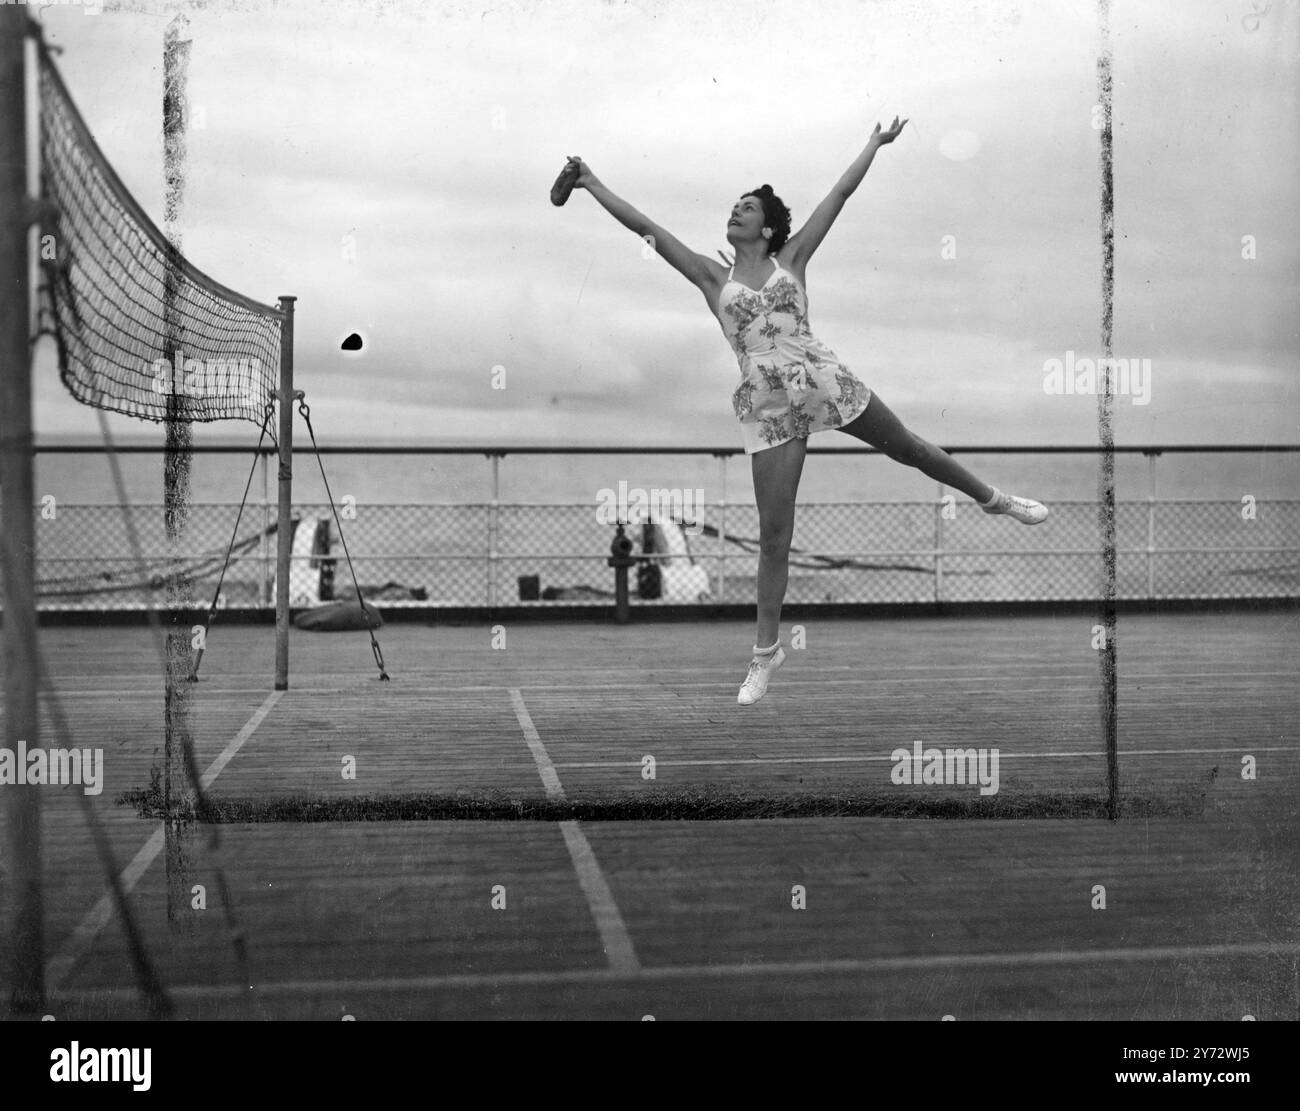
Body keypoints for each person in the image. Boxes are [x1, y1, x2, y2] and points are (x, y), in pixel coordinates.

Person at [562, 116, 1047, 706]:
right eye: (734, 206)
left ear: (766, 228)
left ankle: (995, 501)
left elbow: (838, 195)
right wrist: (590, 182)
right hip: (769, 407)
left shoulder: (793, 259)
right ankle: (765, 655)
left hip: (822, 381)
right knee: (774, 535)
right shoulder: (713, 278)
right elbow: (647, 228)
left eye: (746, 207)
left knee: (913, 450)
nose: (735, 211)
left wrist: (873, 143)